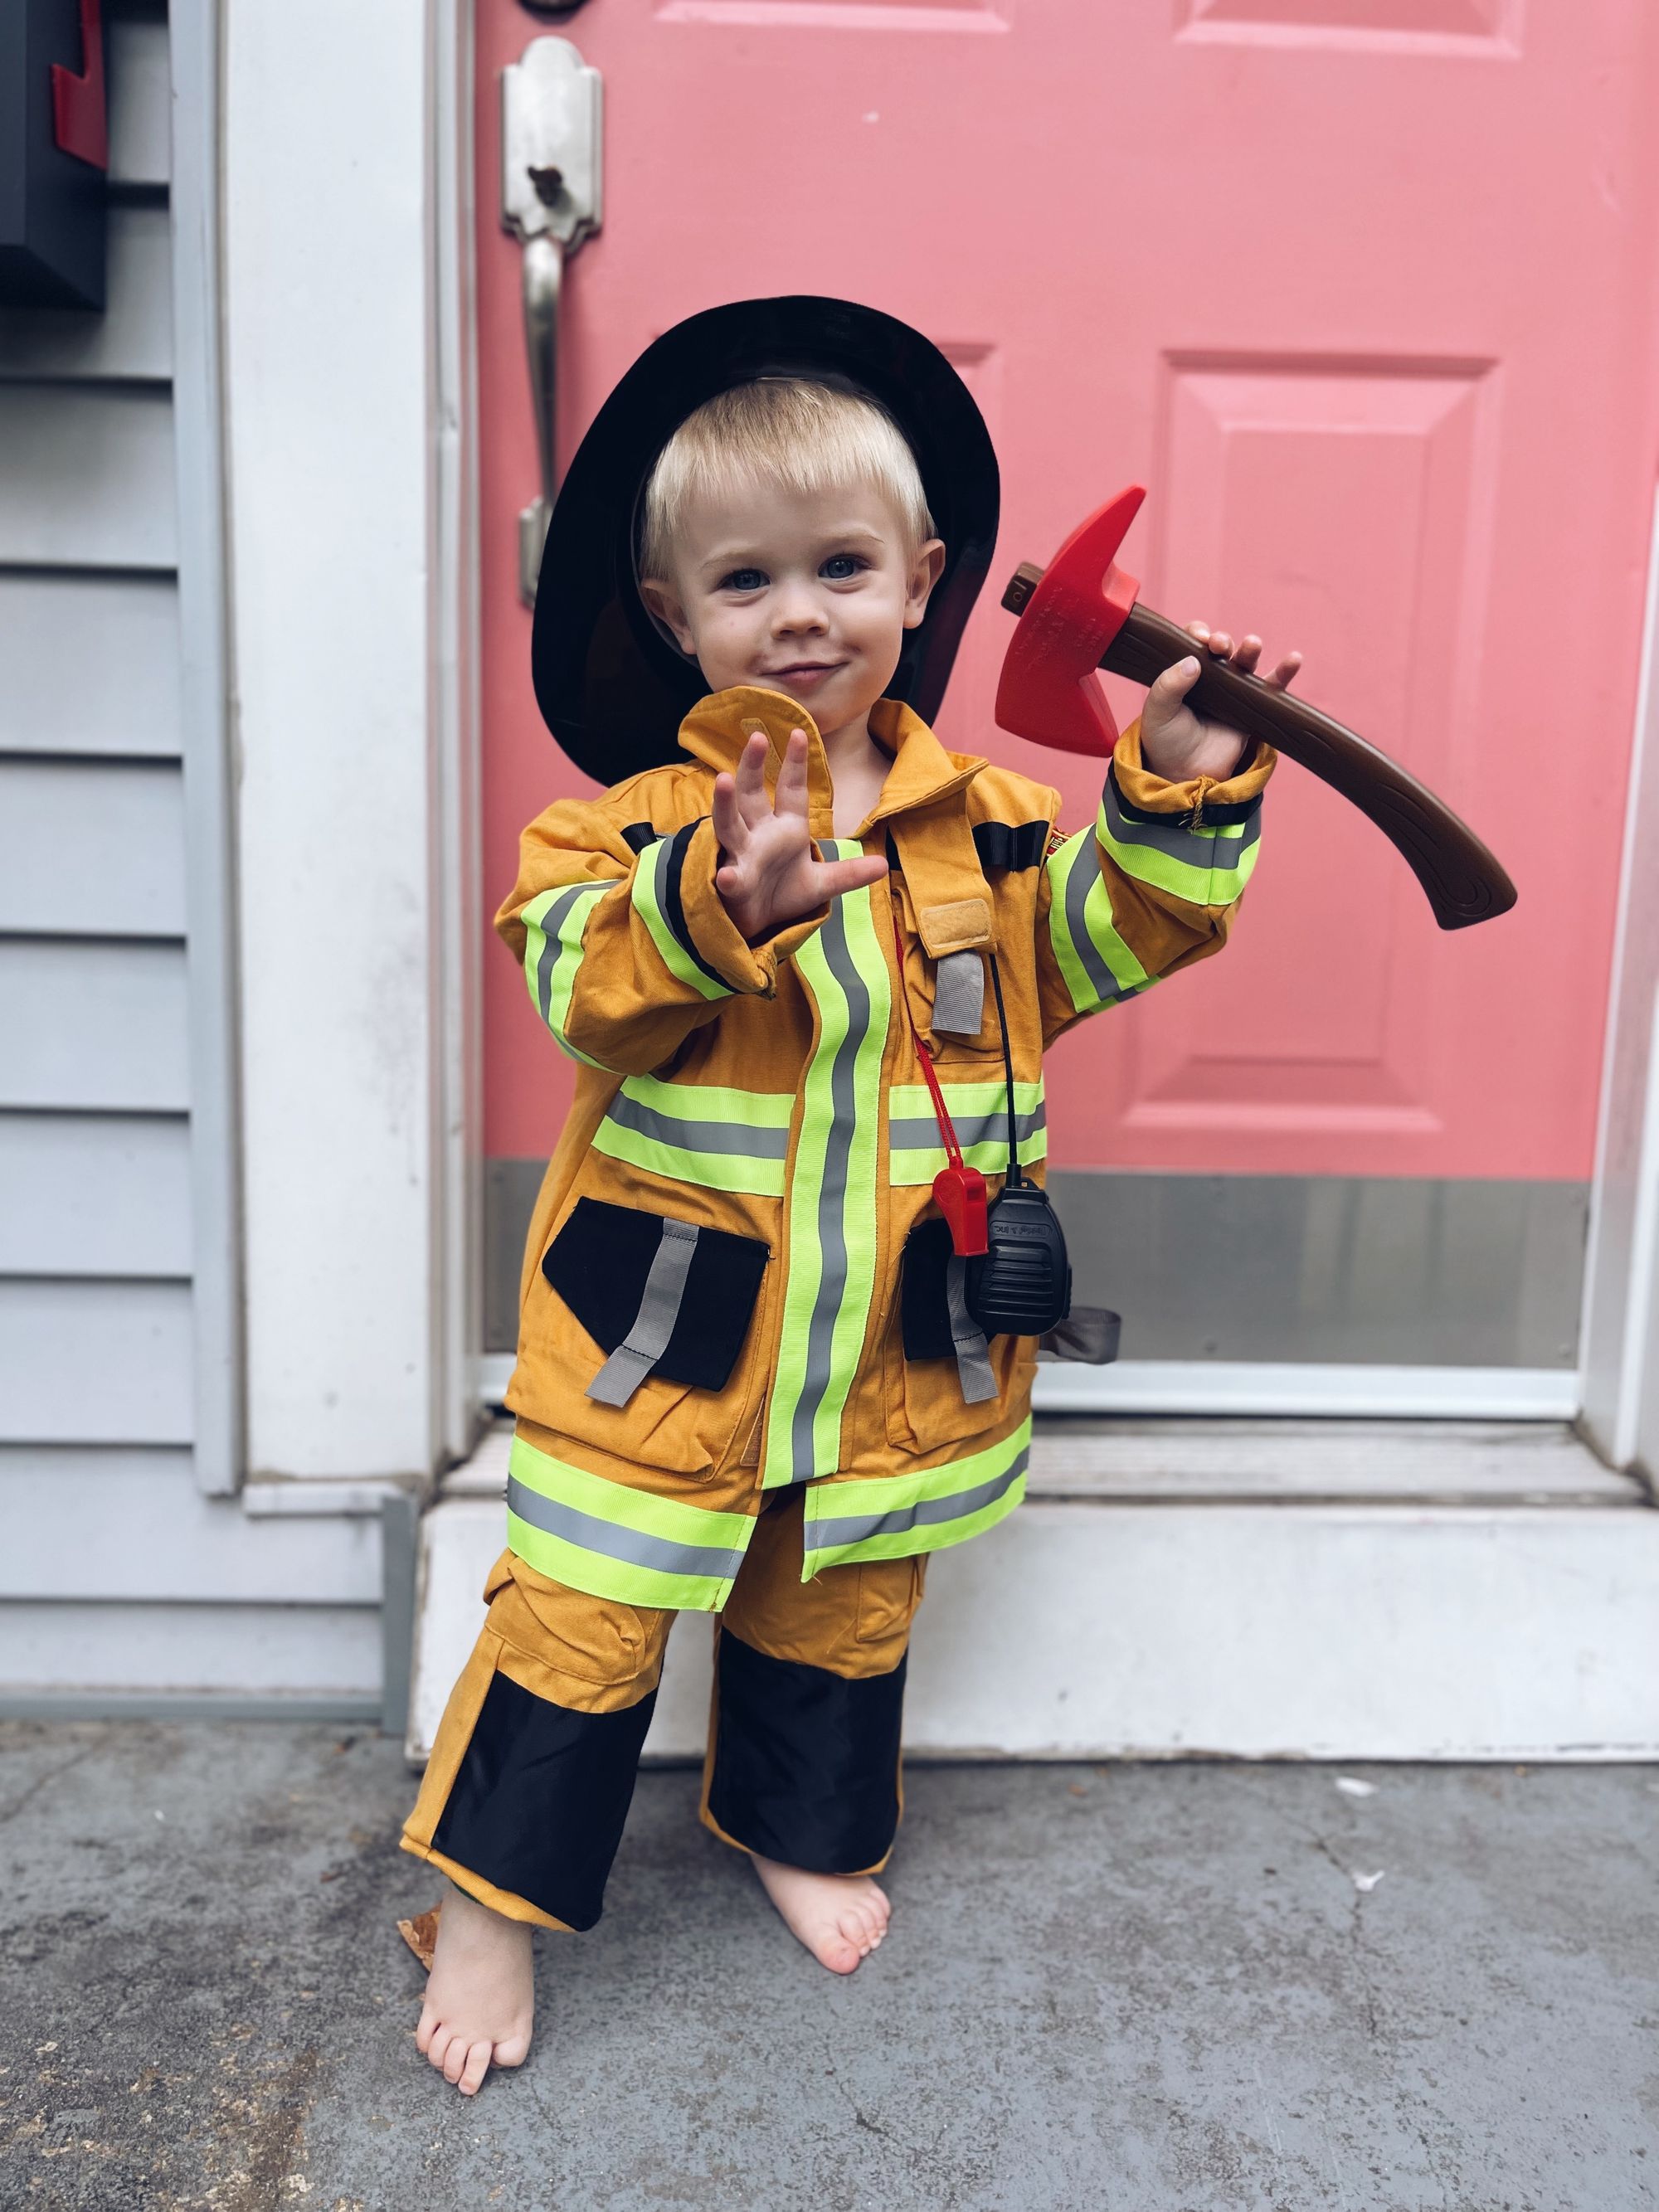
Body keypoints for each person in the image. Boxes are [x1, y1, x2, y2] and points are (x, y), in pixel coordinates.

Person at [400, 299, 1299, 2096]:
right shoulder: (612, 832)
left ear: (922, 581)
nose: (798, 613)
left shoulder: (992, 827)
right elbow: (579, 983)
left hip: (896, 1338)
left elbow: (1098, 946)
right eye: (744, 580)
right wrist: (710, 906)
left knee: (844, 1604)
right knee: (580, 1619)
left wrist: (1176, 796)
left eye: (840, 567)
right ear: (672, 614)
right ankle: (488, 1902)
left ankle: (792, 1827)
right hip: (665, 1340)